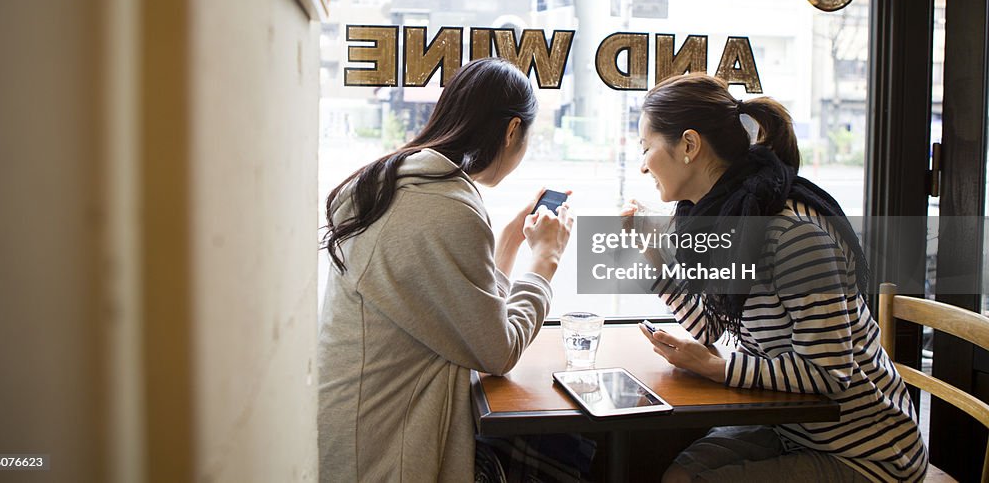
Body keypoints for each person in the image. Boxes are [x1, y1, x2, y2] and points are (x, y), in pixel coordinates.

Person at [625, 74, 927, 482]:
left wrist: (719, 369)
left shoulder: (791, 235)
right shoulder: (728, 218)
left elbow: (829, 377)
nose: (642, 164)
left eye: (646, 147)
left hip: (866, 454)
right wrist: (654, 260)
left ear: (689, 146)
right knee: (676, 470)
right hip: (794, 429)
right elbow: (713, 326)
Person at [318, 58, 573, 482]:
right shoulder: (446, 207)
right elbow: (497, 351)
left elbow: (462, 315)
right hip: (384, 448)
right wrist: (546, 260)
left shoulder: (394, 179)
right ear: (513, 130)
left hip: (350, 426)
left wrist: (508, 240)